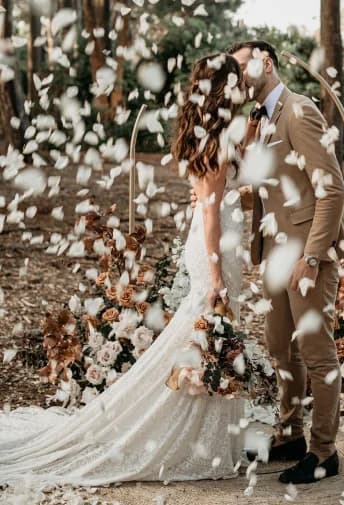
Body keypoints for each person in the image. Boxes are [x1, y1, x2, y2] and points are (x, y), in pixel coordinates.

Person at [0, 54, 247, 487]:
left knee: (208, 340)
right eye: (237, 79)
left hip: (215, 245)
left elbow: (214, 195)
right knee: (205, 338)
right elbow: (209, 212)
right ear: (224, 87)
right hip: (213, 250)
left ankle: (204, 433)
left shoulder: (209, 132)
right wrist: (218, 277)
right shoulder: (218, 137)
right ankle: (179, 435)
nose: (243, 85)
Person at [229, 40, 344, 484]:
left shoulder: (298, 111)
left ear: (268, 64)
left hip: (307, 256)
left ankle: (323, 452)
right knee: (281, 346)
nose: (236, 76)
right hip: (275, 254)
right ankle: (289, 433)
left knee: (316, 354)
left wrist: (314, 258)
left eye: (241, 66)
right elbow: (267, 189)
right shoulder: (257, 121)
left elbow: (332, 189)